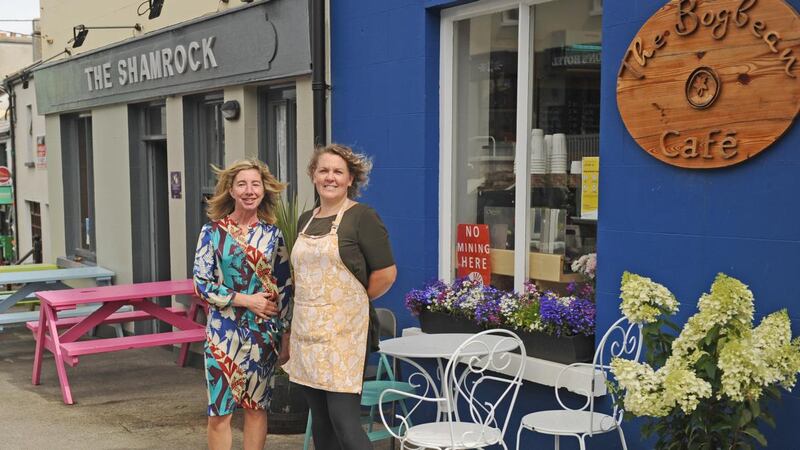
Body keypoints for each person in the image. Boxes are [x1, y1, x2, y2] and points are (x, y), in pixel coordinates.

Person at [284, 144, 397, 450]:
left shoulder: (362, 217)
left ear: (350, 179)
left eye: (338, 172)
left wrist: (349, 304)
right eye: (324, 171)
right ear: (313, 175)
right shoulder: (305, 219)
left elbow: (386, 274)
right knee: (321, 422)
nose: (330, 177)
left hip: (344, 336)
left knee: (345, 421)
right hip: (308, 333)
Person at [193, 159, 292, 450]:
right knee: (220, 410)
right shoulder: (212, 233)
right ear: (231, 191)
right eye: (242, 185)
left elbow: (285, 288)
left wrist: (285, 335)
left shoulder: (274, 236)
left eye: (255, 184)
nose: (249, 190)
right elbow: (202, 284)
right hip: (223, 333)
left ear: (264, 191)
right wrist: (247, 300)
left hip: (263, 334)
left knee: (256, 407)